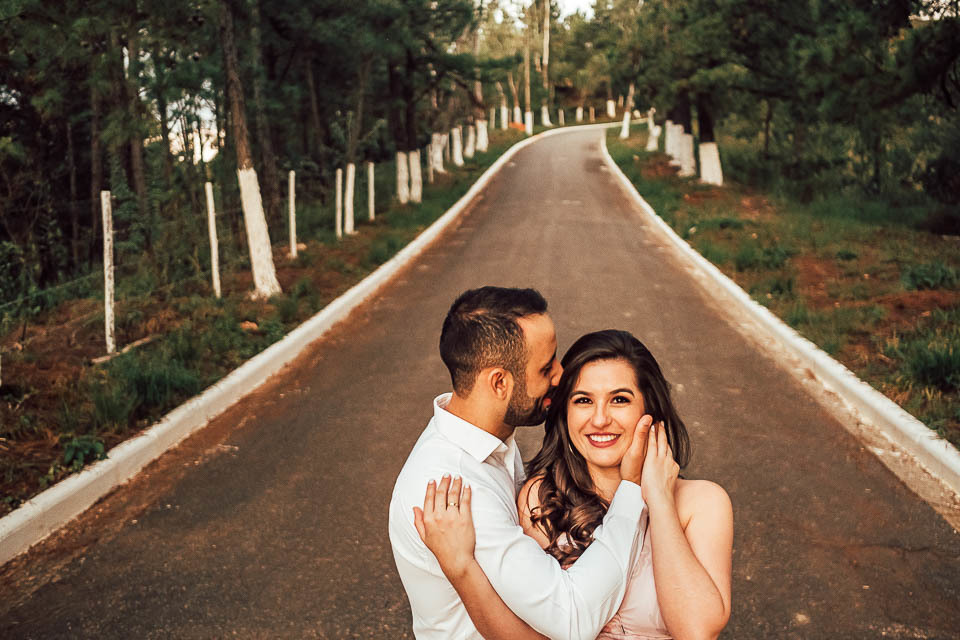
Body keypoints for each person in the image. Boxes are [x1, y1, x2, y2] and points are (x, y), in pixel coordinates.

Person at [416, 329, 734, 639]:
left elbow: (697, 631)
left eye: (619, 400)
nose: (599, 419)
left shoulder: (702, 503)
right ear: (565, 413)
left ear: (649, 409)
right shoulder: (542, 500)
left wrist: (661, 500)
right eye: (583, 400)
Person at [389, 288, 653, 639]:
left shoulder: (486, 439)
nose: (561, 376)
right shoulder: (454, 488)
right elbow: (570, 618)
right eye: (546, 367)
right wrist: (631, 489)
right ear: (499, 382)